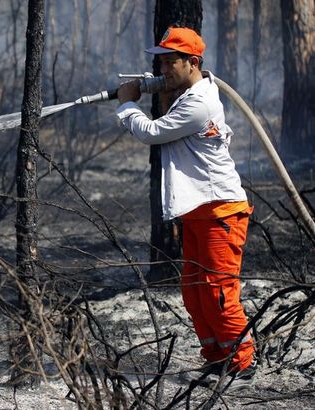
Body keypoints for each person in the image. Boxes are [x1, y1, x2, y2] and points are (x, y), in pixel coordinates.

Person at [115, 26, 256, 387]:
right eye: (159, 61)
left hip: (220, 211)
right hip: (198, 211)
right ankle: (217, 358)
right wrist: (158, 88)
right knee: (194, 291)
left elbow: (150, 132)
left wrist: (127, 102)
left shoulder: (200, 102)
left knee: (218, 289)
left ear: (192, 62)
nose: (162, 68)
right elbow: (165, 121)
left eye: (169, 62)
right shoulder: (187, 93)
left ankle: (242, 365)